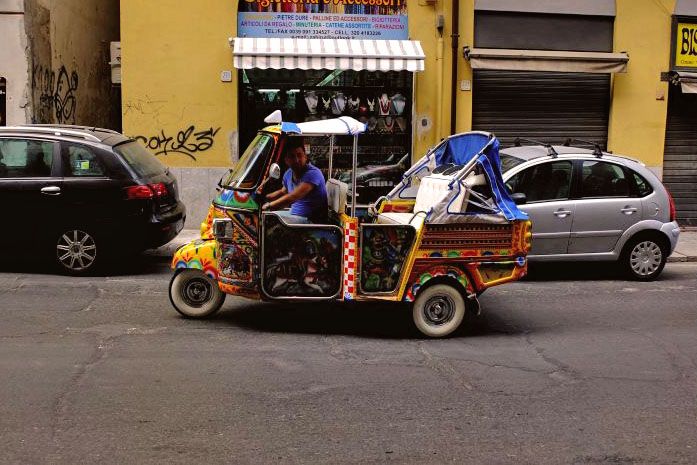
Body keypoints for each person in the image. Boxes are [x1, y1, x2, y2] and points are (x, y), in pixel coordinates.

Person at [260, 137, 328, 224]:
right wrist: (264, 197)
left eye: (299, 155)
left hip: (311, 221)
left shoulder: (313, 173)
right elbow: (283, 191)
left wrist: (269, 206)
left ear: (305, 157)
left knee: (269, 222)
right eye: (292, 156)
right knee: (265, 217)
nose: (296, 160)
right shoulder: (288, 173)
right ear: (286, 160)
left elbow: (293, 197)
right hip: (294, 216)